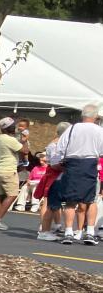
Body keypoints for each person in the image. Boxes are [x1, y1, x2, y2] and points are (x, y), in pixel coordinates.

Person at [48, 103, 103, 245]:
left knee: (70, 201)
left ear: (82, 115)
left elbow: (60, 148)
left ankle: (68, 232)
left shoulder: (72, 129)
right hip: (90, 164)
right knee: (91, 200)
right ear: (96, 116)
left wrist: (59, 162)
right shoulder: (99, 130)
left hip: (72, 165)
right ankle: (90, 232)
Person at [0, 116, 28, 231]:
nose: (15, 128)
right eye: (12, 126)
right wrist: (24, 140)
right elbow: (25, 150)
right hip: (8, 170)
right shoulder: (9, 139)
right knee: (12, 194)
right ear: (7, 128)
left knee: (0, 196)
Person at [36, 122, 70, 242]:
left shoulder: (55, 143)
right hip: (54, 175)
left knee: (54, 202)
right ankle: (44, 227)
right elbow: (55, 164)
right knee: (48, 202)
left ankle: (54, 225)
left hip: (54, 174)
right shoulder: (56, 144)